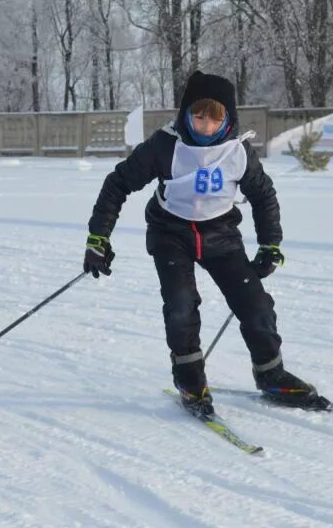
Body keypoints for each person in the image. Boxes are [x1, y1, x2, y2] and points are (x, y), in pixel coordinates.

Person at [83, 71, 318, 415]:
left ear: (228, 118)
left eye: (215, 116)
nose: (206, 125)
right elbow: (118, 183)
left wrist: (270, 244)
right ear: (186, 113)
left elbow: (264, 196)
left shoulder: (238, 153)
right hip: (170, 234)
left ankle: (272, 375)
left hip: (220, 235)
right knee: (181, 306)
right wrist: (97, 238)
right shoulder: (165, 146)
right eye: (198, 115)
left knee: (255, 305)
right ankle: (191, 381)